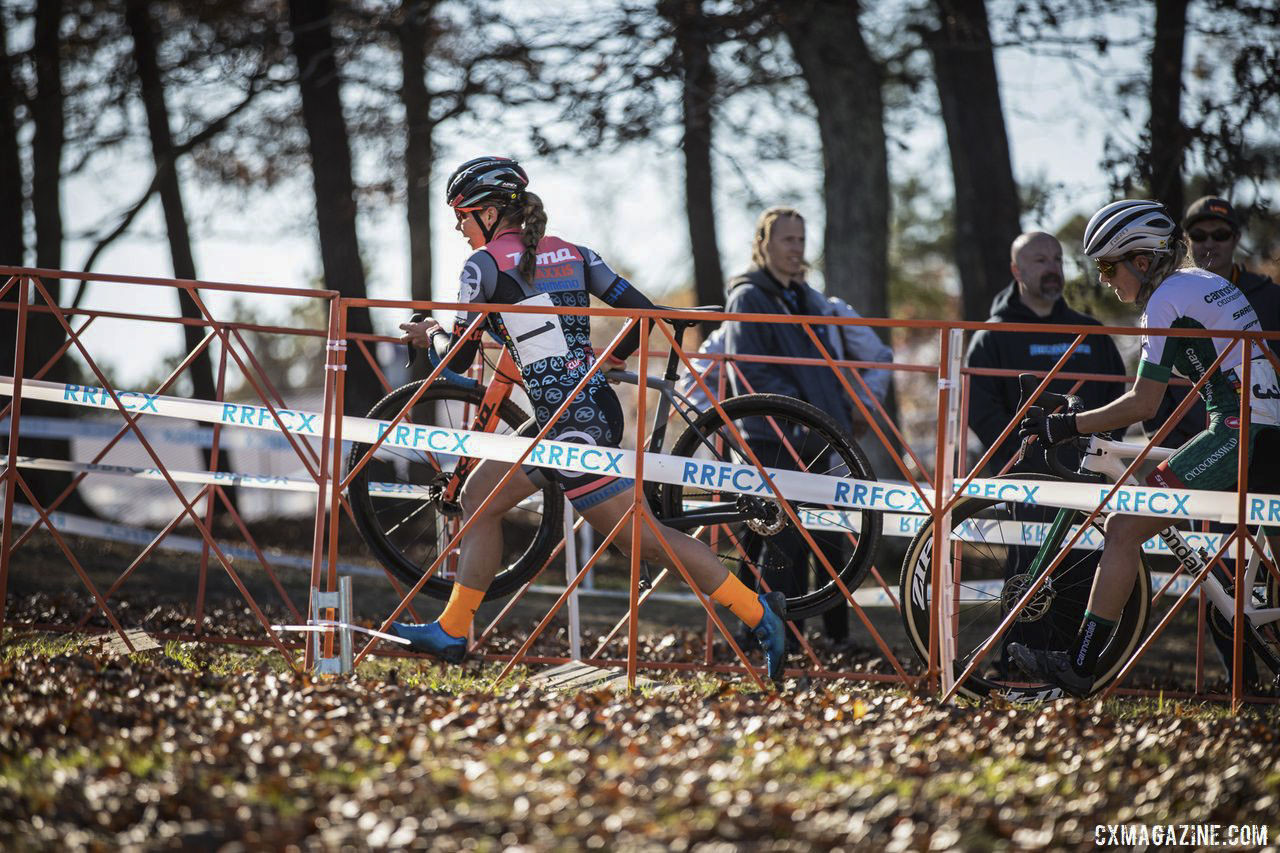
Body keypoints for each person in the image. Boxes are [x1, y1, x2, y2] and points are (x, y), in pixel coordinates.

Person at [390, 156, 787, 682]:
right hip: (579, 413)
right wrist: (605, 365)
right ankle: (453, 630)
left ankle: (762, 616)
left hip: (570, 424)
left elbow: (457, 360)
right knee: (478, 501)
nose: (459, 230)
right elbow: (649, 313)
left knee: (645, 540)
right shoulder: (576, 254)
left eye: (461, 217)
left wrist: (430, 333)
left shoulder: (483, 266)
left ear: (486, 214)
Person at [1008, 199, 1280, 698]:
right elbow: (1192, 367)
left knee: (1124, 526)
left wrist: (1063, 426)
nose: (1106, 280)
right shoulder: (1202, 282)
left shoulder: (1165, 300)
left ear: (1142, 259)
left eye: (1109, 266)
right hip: (1264, 424)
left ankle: (1081, 664)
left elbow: (1144, 402)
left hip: (1241, 428)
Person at [720, 206, 893, 643]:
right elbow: (750, 370)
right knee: (777, 542)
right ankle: (778, 637)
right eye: (787, 240)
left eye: (801, 239)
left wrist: (836, 410)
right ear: (763, 243)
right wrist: (802, 412)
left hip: (815, 436)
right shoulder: (749, 297)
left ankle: (831, 637)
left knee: (827, 536)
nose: (797, 248)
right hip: (772, 436)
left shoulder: (807, 298)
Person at [966, 231, 1127, 476]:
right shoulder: (991, 336)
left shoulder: (1090, 332)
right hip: (1024, 478)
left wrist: (1098, 450)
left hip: (1088, 472)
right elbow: (980, 411)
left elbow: (1116, 396)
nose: (1053, 268)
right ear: (1016, 270)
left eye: (1058, 259)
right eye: (1041, 260)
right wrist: (1026, 453)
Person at [1145, 196, 1280, 448]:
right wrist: (1172, 445)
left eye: (1220, 234)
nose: (1209, 243)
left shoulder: (1272, 298)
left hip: (1262, 442)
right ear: (1185, 239)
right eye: (1198, 235)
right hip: (1190, 448)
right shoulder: (1164, 298)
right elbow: (1151, 384)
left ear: (1236, 238)